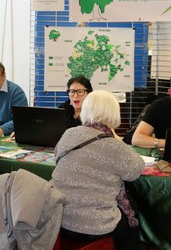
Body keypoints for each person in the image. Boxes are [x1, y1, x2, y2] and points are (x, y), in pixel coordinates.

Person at [52, 90, 145, 250]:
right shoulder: (112, 145)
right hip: (94, 225)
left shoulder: (69, 134)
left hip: (59, 219)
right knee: (131, 226)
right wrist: (116, 137)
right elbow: (135, 170)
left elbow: (56, 158)